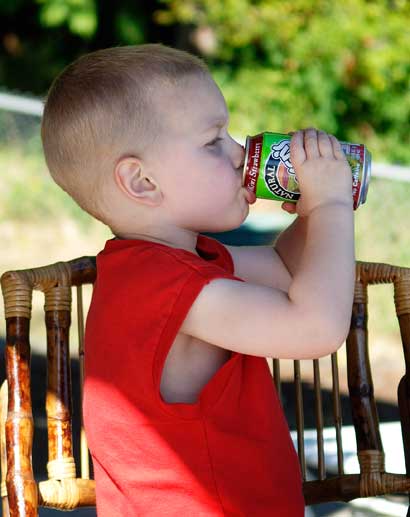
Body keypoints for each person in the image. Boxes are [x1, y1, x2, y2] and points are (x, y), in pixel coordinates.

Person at [41, 43, 355, 516]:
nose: (238, 152)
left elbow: (288, 270)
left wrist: (313, 209)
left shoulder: (172, 262)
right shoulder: (163, 286)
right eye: (214, 142)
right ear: (143, 182)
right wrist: (332, 205)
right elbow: (317, 329)